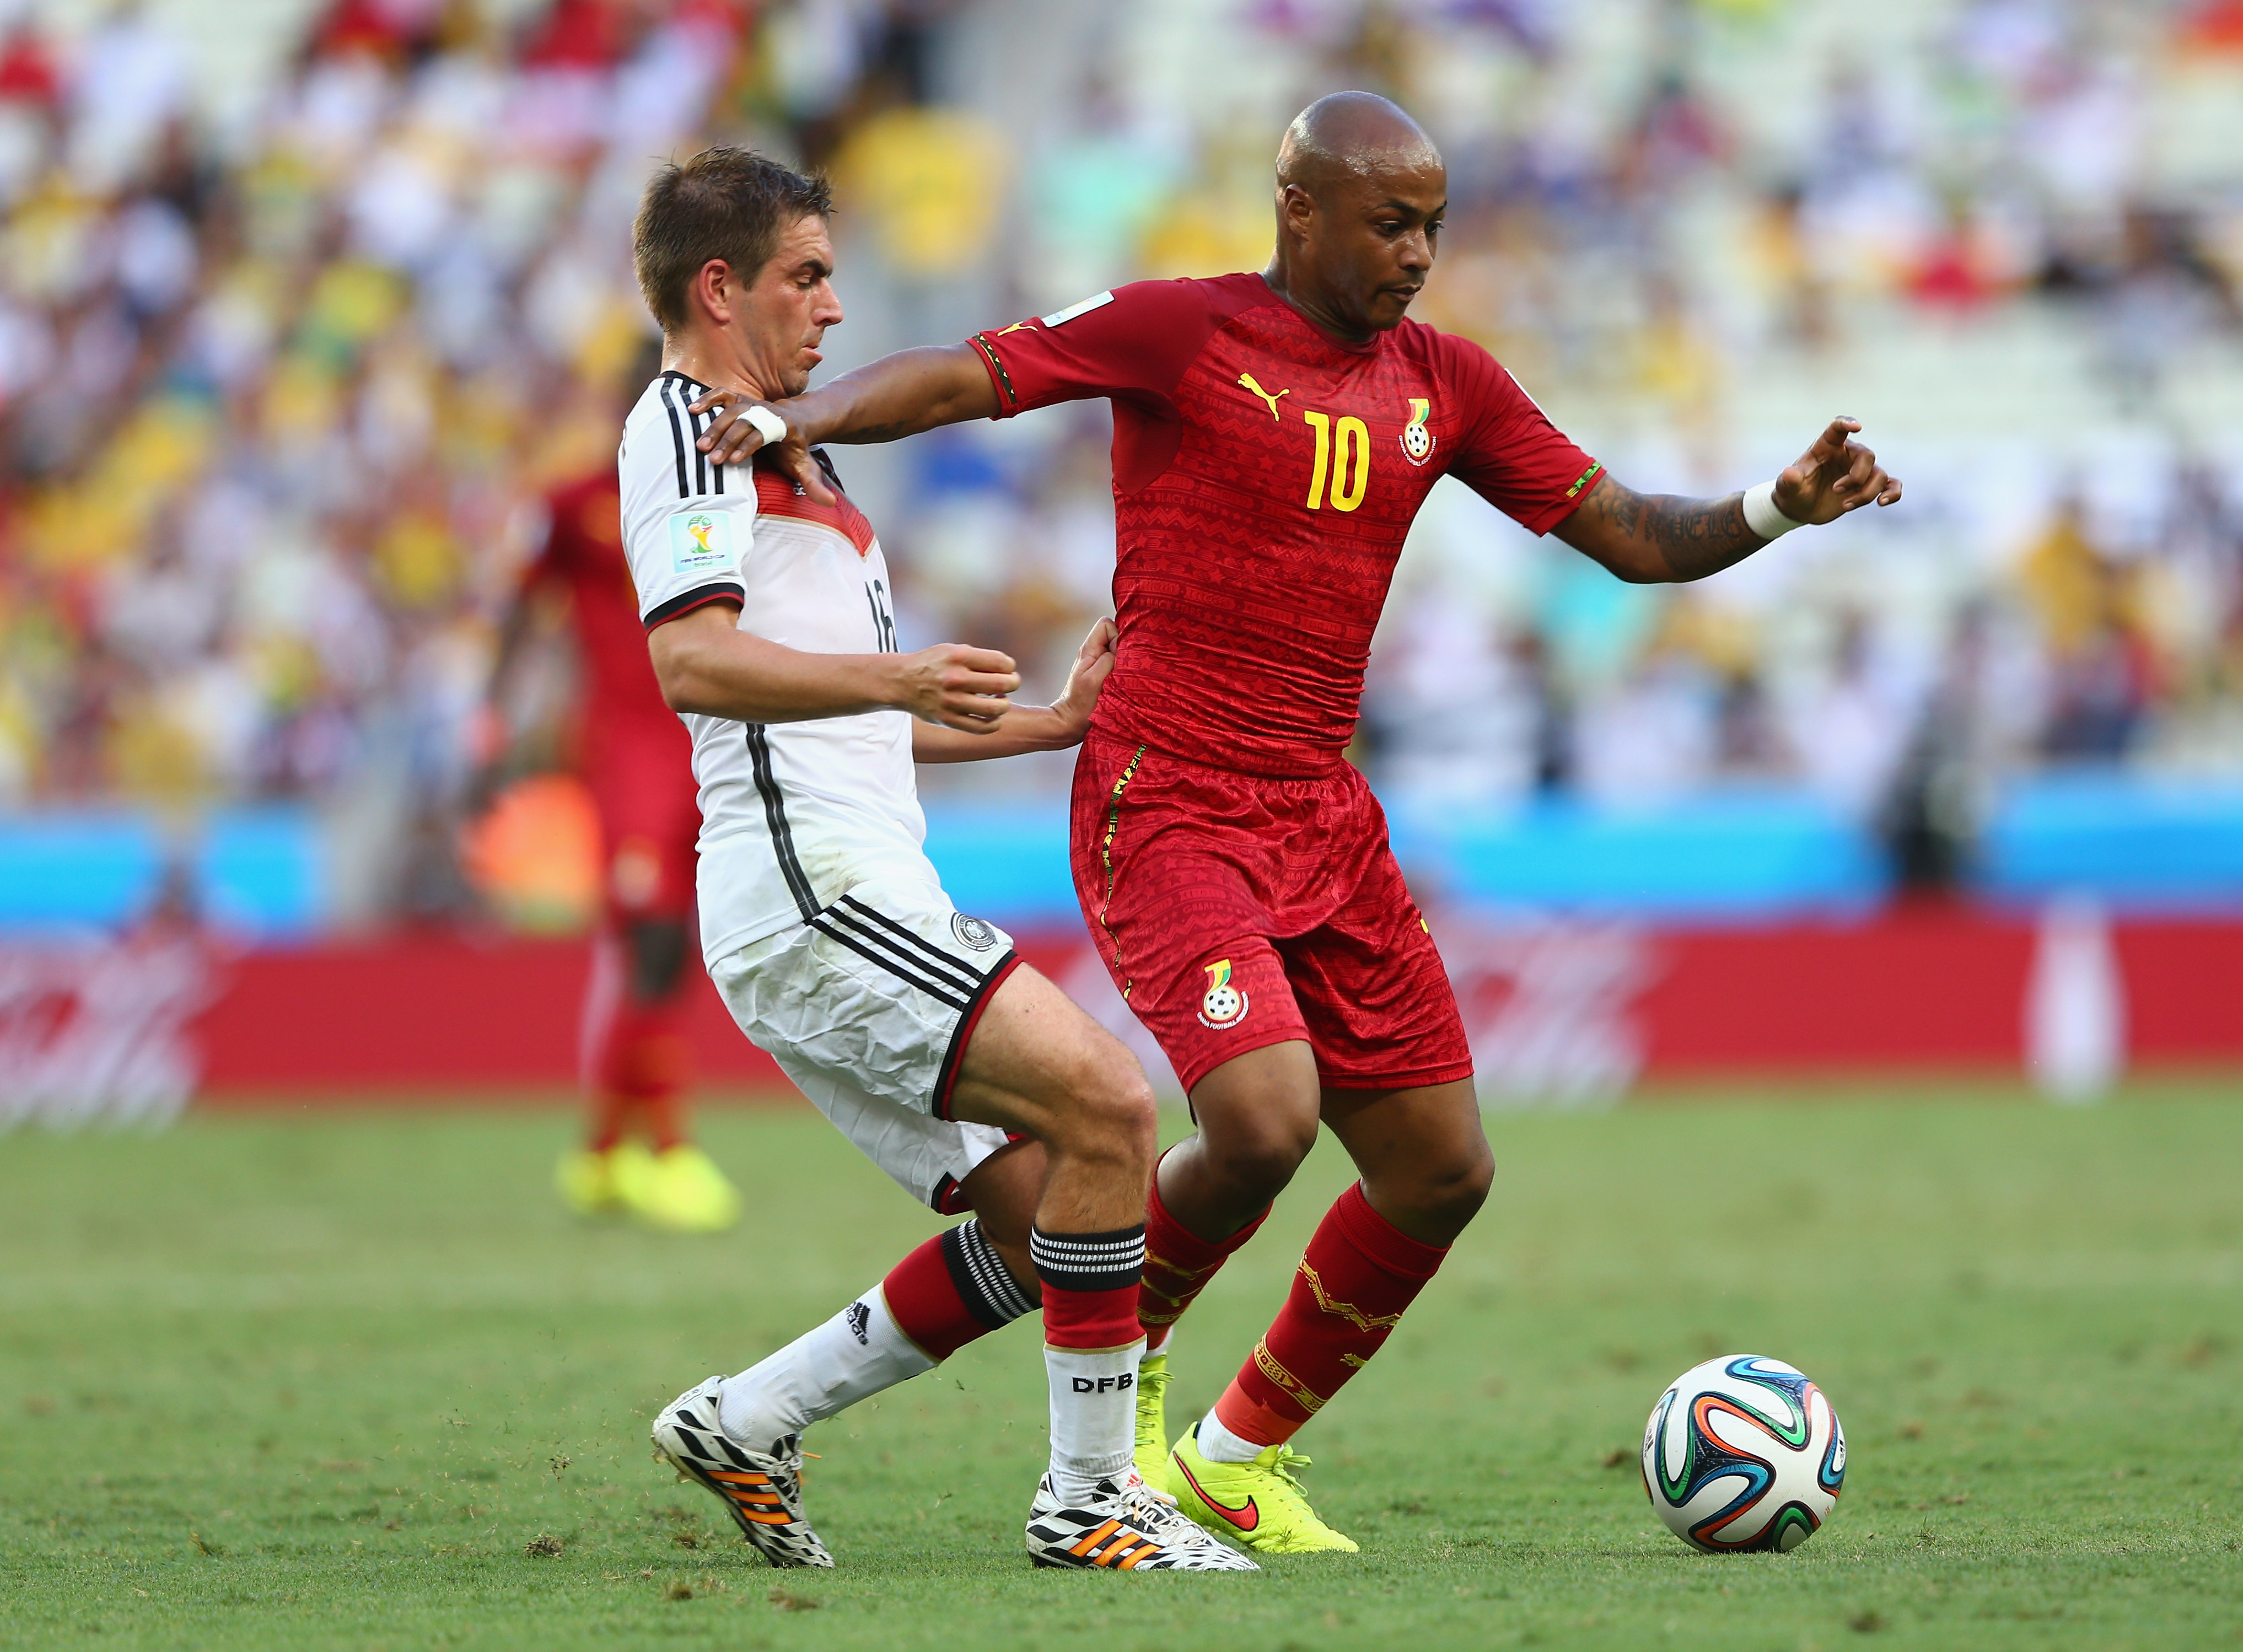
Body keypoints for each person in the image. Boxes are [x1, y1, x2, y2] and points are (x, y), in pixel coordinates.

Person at [687, 92, 1903, 1555]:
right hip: (1168, 801)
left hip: (1322, 815)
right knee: (1260, 1119)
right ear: (1299, 208)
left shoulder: (1446, 380)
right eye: (1390, 224)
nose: (1418, 254)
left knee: (1441, 1168)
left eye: (1433, 226)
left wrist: (1776, 504)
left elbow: (1635, 535)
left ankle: (1231, 1454)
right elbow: (970, 373)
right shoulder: (1181, 330)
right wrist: (804, 415)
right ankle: (1112, 1418)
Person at [624, 147, 1255, 1573]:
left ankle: (748, 1416)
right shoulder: (685, 426)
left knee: (1049, 1219)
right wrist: (897, 673)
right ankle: (1091, 1499)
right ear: (718, 288)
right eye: (806, 276)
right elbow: (691, 663)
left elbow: (843, 717)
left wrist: (1046, 725)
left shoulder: (788, 450)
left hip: (851, 877)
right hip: (810, 890)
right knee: (1110, 1104)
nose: (833, 306)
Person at [478, 343, 742, 1233]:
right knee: (654, 940)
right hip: (628, 753)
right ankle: (665, 1150)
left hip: (708, 746)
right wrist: (492, 719)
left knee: (678, 946)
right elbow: (520, 608)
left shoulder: (718, 500)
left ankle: (600, 1153)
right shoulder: (575, 505)